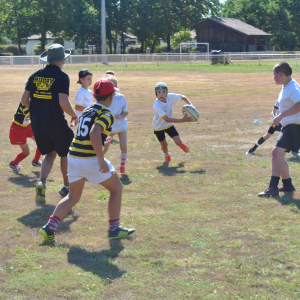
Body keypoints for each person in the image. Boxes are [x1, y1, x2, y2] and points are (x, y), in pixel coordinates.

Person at [39, 79, 136, 243]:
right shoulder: (106, 114)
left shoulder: (88, 110)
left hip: (74, 157)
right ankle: (114, 229)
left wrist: (102, 149)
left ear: (95, 96)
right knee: (117, 188)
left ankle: (49, 227)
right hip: (89, 159)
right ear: (112, 96)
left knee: (72, 197)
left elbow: (86, 136)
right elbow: (94, 133)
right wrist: (101, 159)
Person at [21, 44, 79, 204]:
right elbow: (63, 101)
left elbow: (24, 100)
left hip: (38, 124)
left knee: (50, 153)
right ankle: (67, 187)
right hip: (56, 123)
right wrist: (74, 115)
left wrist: (36, 111)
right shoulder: (62, 77)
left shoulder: (34, 75)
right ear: (62, 60)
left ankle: (42, 182)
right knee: (65, 154)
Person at [258, 62, 300, 197]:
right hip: (290, 126)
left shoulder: (293, 88)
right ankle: (287, 185)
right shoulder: (286, 86)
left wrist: (281, 115)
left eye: (274, 74)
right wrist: (276, 114)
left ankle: (273, 187)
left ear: (280, 74)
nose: (273, 77)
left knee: (276, 153)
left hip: (295, 126)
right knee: (279, 155)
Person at [153, 82, 194, 161]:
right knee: (164, 144)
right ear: (156, 93)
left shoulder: (170, 97)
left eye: (163, 92)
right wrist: (183, 120)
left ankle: (182, 145)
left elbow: (183, 97)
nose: (161, 94)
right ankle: (167, 155)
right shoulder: (157, 105)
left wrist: (191, 105)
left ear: (167, 92)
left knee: (178, 142)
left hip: (168, 125)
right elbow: (167, 119)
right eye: (159, 92)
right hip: (158, 127)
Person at [103, 75, 128, 174]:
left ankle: (122, 166)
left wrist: (121, 116)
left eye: (115, 87)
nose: (114, 91)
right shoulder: (104, 99)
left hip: (121, 125)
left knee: (123, 144)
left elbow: (126, 112)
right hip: (109, 127)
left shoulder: (121, 98)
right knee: (105, 146)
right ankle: (98, 162)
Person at [9, 101, 42, 172]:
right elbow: (31, 115)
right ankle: (13, 164)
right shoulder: (24, 102)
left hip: (28, 126)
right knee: (26, 152)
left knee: (41, 142)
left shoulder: (35, 100)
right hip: (18, 129)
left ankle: (35, 161)